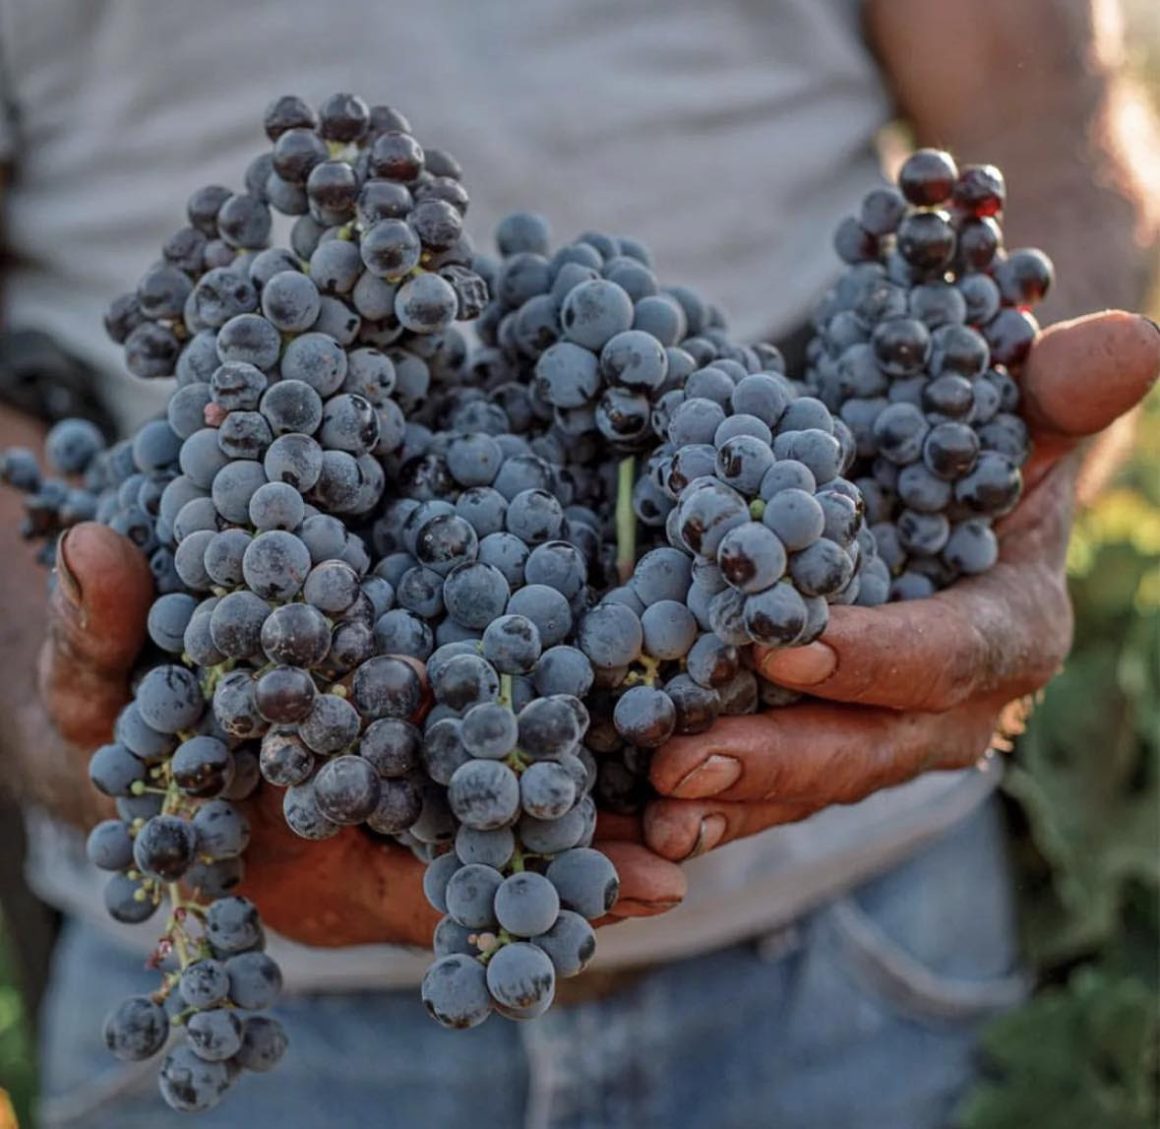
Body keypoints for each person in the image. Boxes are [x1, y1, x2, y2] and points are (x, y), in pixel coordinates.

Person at [0, 0, 1156, 1125]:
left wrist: (1006, 453)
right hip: (254, 981)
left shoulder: (696, 476)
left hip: (862, 928)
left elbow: (1037, 101)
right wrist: (36, 664)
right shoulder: (303, 481)